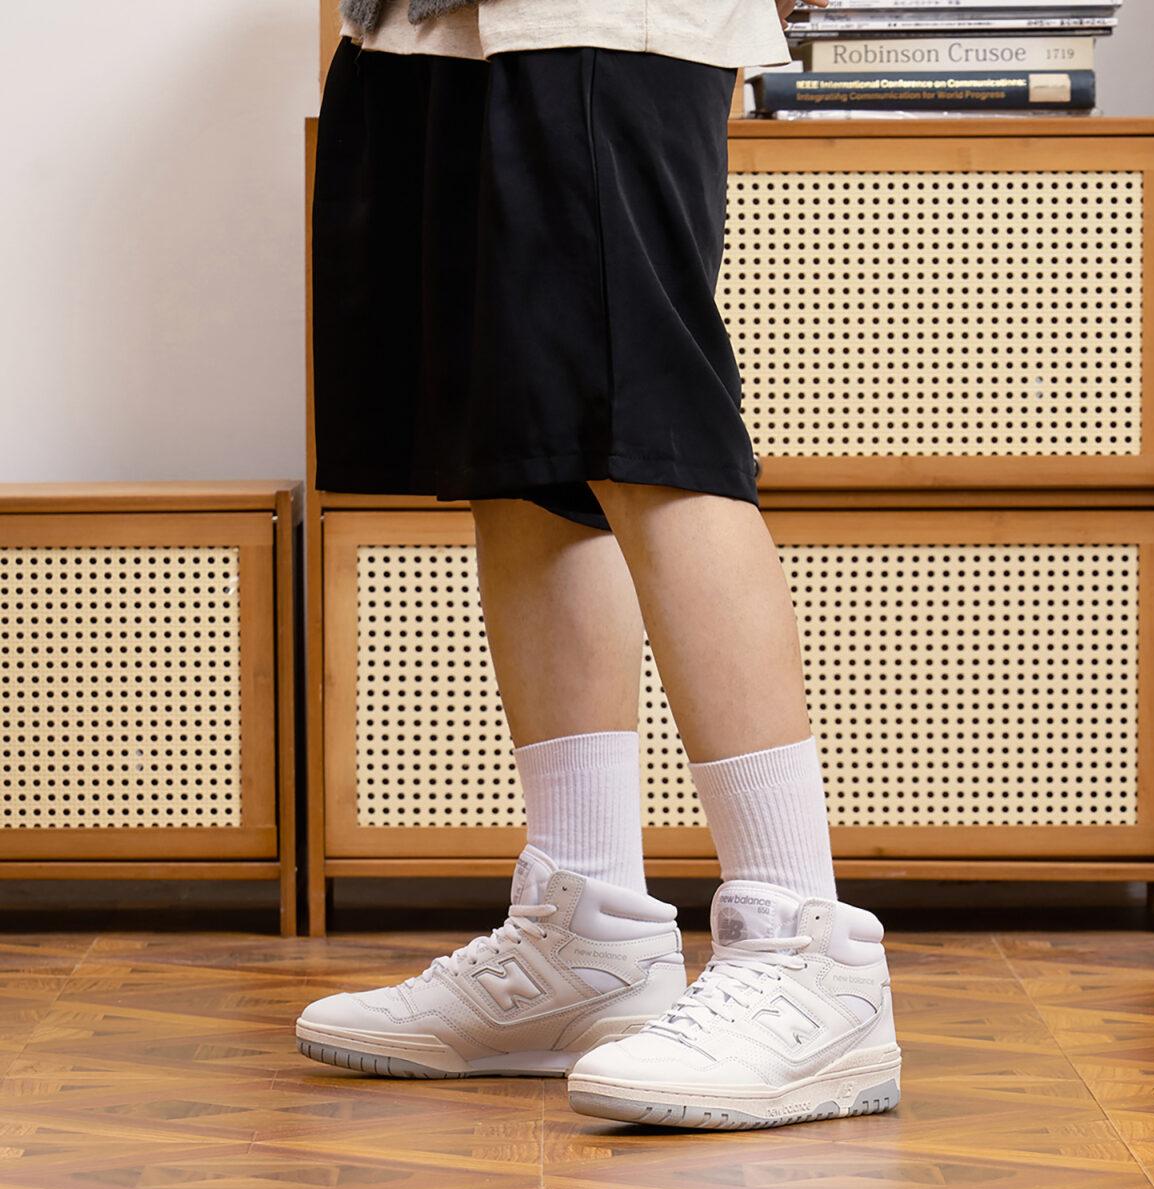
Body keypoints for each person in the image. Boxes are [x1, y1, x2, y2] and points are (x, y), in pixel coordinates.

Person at [297, 0, 901, 1130]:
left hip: (604, 17)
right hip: (425, 23)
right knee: (526, 446)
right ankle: (590, 939)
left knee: (648, 428)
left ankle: (808, 950)